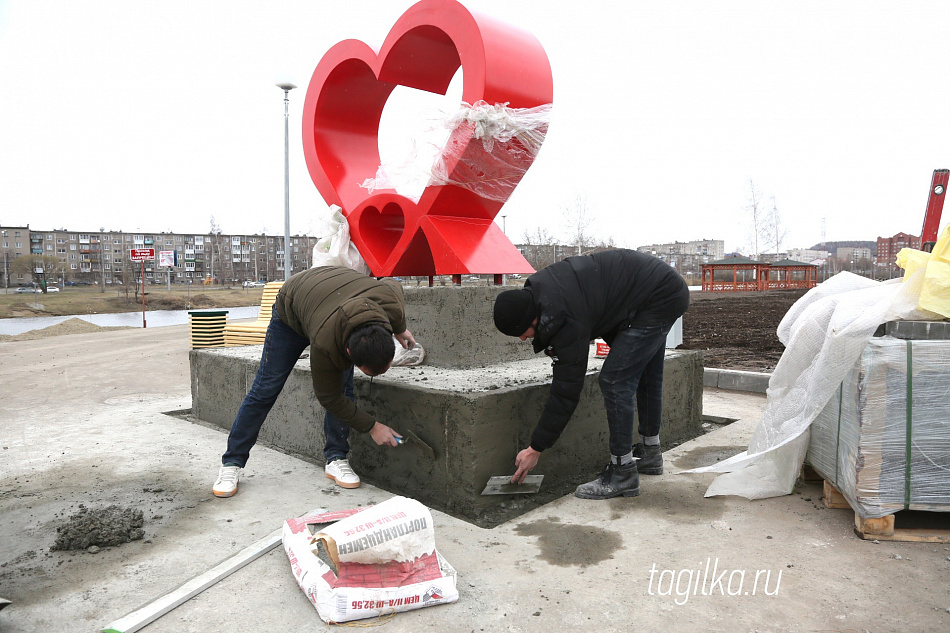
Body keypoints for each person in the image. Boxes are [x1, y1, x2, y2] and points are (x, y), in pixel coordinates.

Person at [493, 249, 689, 500]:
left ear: (532, 318)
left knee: (615, 379)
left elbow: (566, 390)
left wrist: (536, 448)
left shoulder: (563, 317)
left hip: (656, 297)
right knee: (645, 373)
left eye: (522, 331)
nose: (522, 338)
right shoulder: (544, 293)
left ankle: (622, 473)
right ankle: (650, 454)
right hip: (653, 290)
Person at [212, 266, 416, 498]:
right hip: (292, 310)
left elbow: (393, 283)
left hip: (331, 296)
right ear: (349, 350)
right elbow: (329, 397)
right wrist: (373, 427)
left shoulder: (391, 302)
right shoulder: (326, 343)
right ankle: (232, 463)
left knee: (344, 387)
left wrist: (399, 329)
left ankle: (336, 458)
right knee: (265, 389)